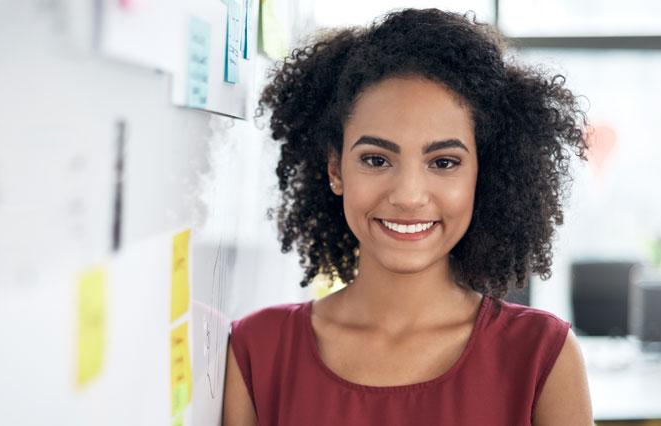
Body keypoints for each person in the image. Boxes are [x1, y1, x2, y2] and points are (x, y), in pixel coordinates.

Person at [223, 8, 593, 426]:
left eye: (445, 162)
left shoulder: (542, 355)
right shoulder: (255, 351)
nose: (409, 196)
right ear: (335, 169)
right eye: (377, 159)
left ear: (482, 174)